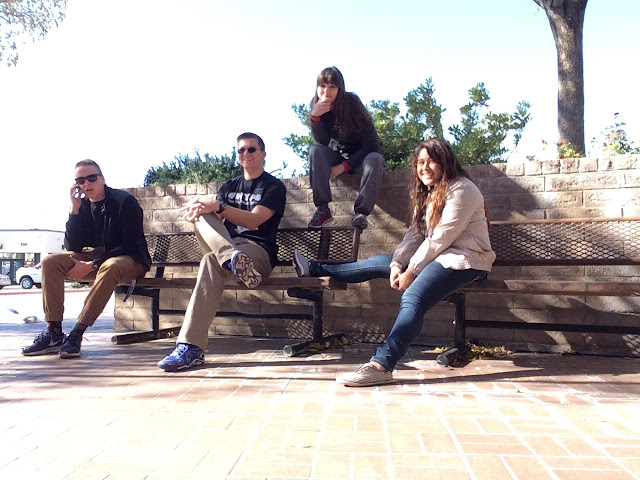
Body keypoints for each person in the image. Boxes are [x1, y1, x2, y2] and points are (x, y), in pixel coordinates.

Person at [294, 139, 495, 386]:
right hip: (437, 257)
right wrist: (398, 263)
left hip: (465, 261)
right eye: (420, 162)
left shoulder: (462, 189)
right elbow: (415, 234)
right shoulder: (430, 193)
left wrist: (412, 271)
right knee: (379, 262)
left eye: (431, 161)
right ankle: (315, 269)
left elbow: (441, 238)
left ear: (446, 162)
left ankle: (382, 366)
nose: (425, 168)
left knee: (413, 297)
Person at [157, 132, 287, 372]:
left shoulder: (273, 187)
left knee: (210, 260)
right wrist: (197, 211)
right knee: (200, 211)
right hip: (227, 246)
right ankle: (231, 258)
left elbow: (254, 221)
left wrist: (219, 206)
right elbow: (215, 220)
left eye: (251, 149)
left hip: (257, 251)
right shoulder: (229, 186)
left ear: (263, 153)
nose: (245, 153)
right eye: (241, 150)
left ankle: (190, 347)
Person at [21, 160, 151, 358]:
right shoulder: (82, 206)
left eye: (91, 178)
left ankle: (77, 334)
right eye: (80, 180)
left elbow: (129, 244)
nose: (86, 184)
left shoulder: (124, 201)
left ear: (102, 179)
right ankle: (54, 333)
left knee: (111, 266)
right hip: (96, 259)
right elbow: (72, 246)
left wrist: (92, 264)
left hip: (130, 259)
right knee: (50, 262)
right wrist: (74, 210)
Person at [307, 66, 385, 230]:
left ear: (339, 89)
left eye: (332, 87)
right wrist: (315, 118)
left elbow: (372, 145)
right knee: (315, 150)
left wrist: (344, 166)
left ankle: (361, 213)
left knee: (375, 158)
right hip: (339, 156)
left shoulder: (352, 103)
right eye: (322, 86)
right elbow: (322, 142)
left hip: (365, 158)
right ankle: (322, 209)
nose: (326, 92)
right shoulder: (316, 105)